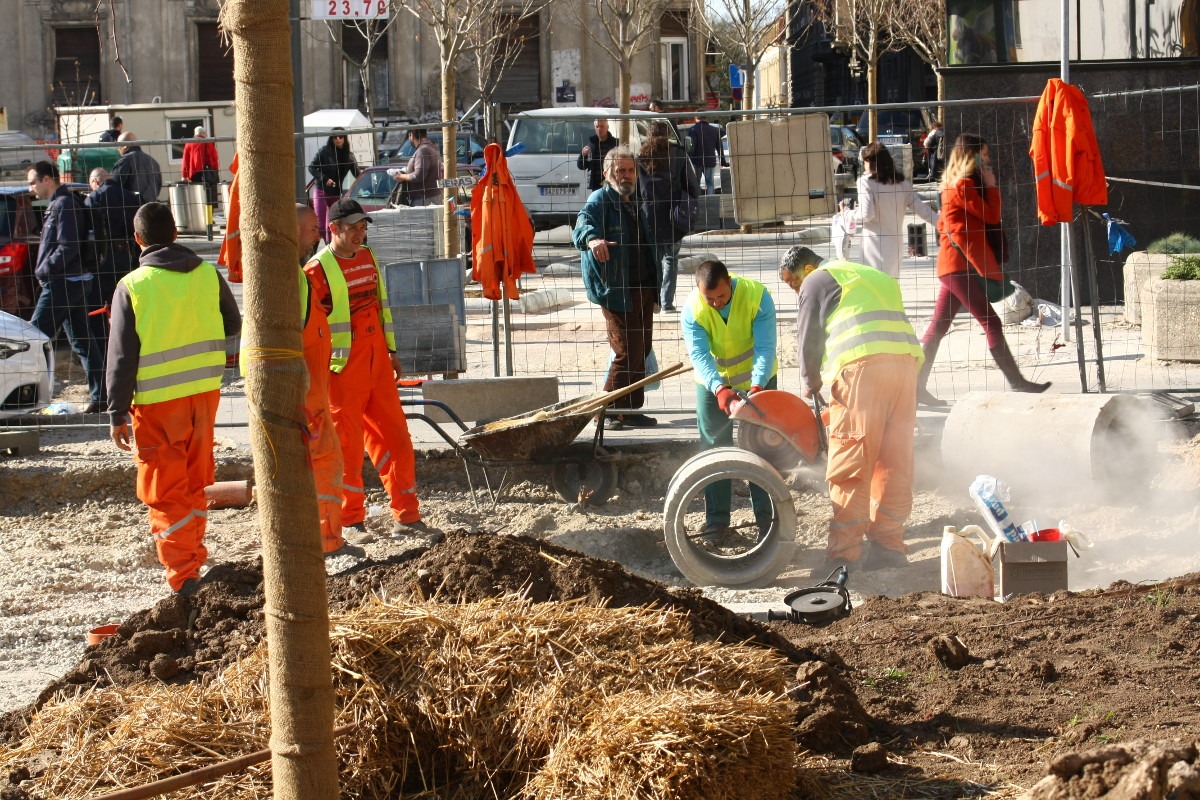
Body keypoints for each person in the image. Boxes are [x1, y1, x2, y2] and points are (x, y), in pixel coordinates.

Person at [106, 202, 241, 595]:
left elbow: (121, 357)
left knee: (166, 491)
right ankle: (193, 561)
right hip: (204, 395)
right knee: (196, 481)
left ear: (137, 239)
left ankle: (184, 578)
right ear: (177, 234)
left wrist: (116, 412)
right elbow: (232, 323)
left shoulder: (132, 286)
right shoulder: (207, 274)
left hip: (158, 403)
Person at [303, 198, 440, 544]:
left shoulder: (368, 257)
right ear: (333, 228)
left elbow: (382, 309)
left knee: (397, 439)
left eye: (363, 227)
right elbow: (311, 328)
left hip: (377, 362)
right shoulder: (316, 271)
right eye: (353, 228)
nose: (360, 234)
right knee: (346, 448)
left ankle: (407, 517)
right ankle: (350, 521)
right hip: (342, 370)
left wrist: (392, 351)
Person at [780, 245, 923, 572]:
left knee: (851, 462)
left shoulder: (815, 279)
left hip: (862, 371)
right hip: (905, 369)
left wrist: (810, 381)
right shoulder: (871, 275)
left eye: (793, 283)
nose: (797, 290)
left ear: (806, 269)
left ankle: (844, 556)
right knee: (894, 461)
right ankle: (889, 548)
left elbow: (808, 337)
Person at [916, 134, 1050, 406]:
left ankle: (914, 388)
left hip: (953, 265)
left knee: (938, 326)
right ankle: (1018, 383)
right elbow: (991, 216)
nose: (988, 159)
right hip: (960, 267)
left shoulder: (953, 185)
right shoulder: (964, 185)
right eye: (984, 154)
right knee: (991, 322)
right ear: (972, 156)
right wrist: (991, 186)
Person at [293, 204, 371, 559]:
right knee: (326, 461)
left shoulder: (296, 274)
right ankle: (326, 540)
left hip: (314, 388)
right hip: (308, 391)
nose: (317, 233)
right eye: (312, 227)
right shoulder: (303, 274)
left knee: (327, 460)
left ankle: (325, 537)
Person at [682, 259, 778, 537]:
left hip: (758, 380)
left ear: (730, 284)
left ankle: (768, 521)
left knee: (761, 445)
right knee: (714, 447)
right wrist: (718, 388)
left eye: (721, 296)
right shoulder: (693, 309)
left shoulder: (757, 297)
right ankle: (717, 522)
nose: (716, 303)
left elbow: (765, 347)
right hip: (714, 383)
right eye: (709, 298)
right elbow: (699, 354)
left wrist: (758, 387)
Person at [573, 146, 659, 431]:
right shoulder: (600, 199)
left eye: (631, 170)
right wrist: (592, 239)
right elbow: (582, 224)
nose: (626, 175)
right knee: (625, 352)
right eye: (621, 170)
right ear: (607, 172)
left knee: (640, 350)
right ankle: (605, 411)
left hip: (643, 286)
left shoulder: (633, 199)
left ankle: (629, 410)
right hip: (617, 288)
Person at [26, 160, 108, 413]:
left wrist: (44, 269)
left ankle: (23, 397)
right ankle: (101, 397)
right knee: (82, 342)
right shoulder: (61, 203)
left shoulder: (64, 204)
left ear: (46, 179)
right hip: (72, 281)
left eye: (32, 182)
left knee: (32, 338)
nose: (30, 188)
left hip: (64, 282)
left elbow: (68, 246)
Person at [850, 142, 938, 279]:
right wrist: (945, 224)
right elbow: (923, 210)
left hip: (873, 245)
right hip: (894, 246)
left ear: (868, 161)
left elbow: (867, 214)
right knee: (891, 284)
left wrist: (849, 214)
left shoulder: (865, 182)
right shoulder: (902, 184)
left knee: (872, 285)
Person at [637, 119, 698, 312]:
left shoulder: (640, 157)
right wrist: (689, 201)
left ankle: (654, 300)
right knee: (671, 259)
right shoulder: (678, 154)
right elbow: (691, 184)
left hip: (648, 214)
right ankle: (666, 303)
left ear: (648, 135)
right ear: (668, 135)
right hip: (674, 214)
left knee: (654, 260)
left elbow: (635, 189)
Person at [84, 167, 139, 304]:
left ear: (96, 181)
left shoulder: (94, 197)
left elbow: (86, 227)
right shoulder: (129, 196)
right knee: (125, 296)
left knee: (99, 299)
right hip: (128, 253)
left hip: (102, 256)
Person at [308, 129, 359, 241]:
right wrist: (324, 179)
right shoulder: (324, 151)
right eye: (335, 137)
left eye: (341, 137)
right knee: (320, 224)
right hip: (321, 190)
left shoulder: (349, 156)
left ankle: (330, 246)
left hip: (336, 192)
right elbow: (311, 167)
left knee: (333, 223)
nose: (338, 139)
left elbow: (357, 174)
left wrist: (362, 185)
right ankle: (315, 246)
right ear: (331, 139)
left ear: (345, 139)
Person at [388, 128, 441, 207]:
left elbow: (419, 175)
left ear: (411, 135)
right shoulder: (432, 147)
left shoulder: (422, 150)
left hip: (424, 200)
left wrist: (402, 176)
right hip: (430, 197)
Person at [111, 133, 163, 205]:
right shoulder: (153, 162)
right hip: (151, 206)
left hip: (130, 207)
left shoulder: (125, 161)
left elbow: (113, 186)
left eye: (118, 145)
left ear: (125, 146)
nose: (118, 149)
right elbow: (158, 185)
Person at [181, 126, 220, 209]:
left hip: (194, 174)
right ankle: (209, 213)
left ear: (195, 134)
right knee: (208, 195)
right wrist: (215, 171)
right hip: (208, 173)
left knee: (197, 195)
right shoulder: (209, 143)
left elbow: (185, 161)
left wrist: (184, 176)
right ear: (203, 134)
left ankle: (199, 212)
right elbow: (214, 158)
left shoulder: (189, 144)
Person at [577, 117, 619, 192]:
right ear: (594, 128)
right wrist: (583, 155)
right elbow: (581, 166)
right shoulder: (591, 145)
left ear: (607, 127)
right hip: (596, 186)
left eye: (602, 126)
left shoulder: (615, 143)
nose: (599, 129)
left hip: (613, 183)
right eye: (597, 127)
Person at [687, 116, 725, 196]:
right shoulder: (714, 130)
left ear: (696, 118)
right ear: (706, 118)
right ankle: (710, 201)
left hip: (696, 160)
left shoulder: (693, 129)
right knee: (710, 183)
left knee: (696, 183)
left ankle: (697, 200)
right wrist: (722, 160)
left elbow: (691, 146)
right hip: (710, 160)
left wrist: (689, 159)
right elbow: (719, 147)